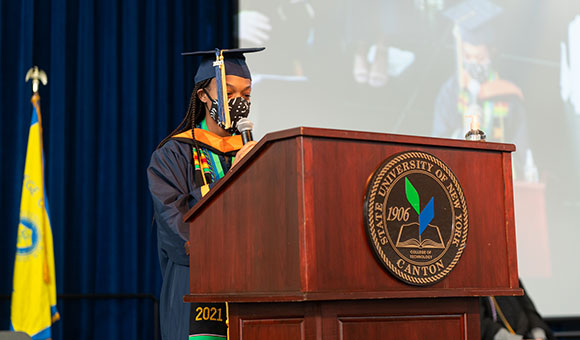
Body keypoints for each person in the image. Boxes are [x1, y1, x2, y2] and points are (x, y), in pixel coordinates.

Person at [147, 47, 263, 340]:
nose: (239, 103)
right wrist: (235, 177)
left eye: (246, 95)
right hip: (196, 291)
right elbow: (178, 231)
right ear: (203, 96)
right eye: (229, 93)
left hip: (252, 289)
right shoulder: (172, 155)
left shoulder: (256, 153)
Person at [433, 0, 531, 176]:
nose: (474, 63)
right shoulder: (451, 92)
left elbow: (520, 146)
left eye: (480, 57)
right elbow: (438, 141)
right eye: (468, 57)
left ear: (491, 54)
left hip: (497, 173)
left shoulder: (507, 94)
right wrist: (461, 134)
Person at [480, 280, 555, 340]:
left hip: (526, 335)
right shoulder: (476, 280)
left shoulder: (511, 277)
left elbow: (529, 310)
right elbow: (481, 323)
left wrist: (539, 336)